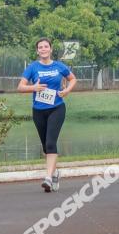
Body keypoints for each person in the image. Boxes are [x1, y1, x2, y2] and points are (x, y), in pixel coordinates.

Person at [17, 38, 77, 192]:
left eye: (46, 46)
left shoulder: (59, 66)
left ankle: (48, 178)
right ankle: (55, 173)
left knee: (51, 143)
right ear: (37, 51)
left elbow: (72, 79)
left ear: (50, 49)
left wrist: (67, 91)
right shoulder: (32, 67)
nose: (43, 49)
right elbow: (20, 87)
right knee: (46, 146)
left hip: (57, 108)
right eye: (40, 47)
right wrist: (34, 87)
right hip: (38, 110)